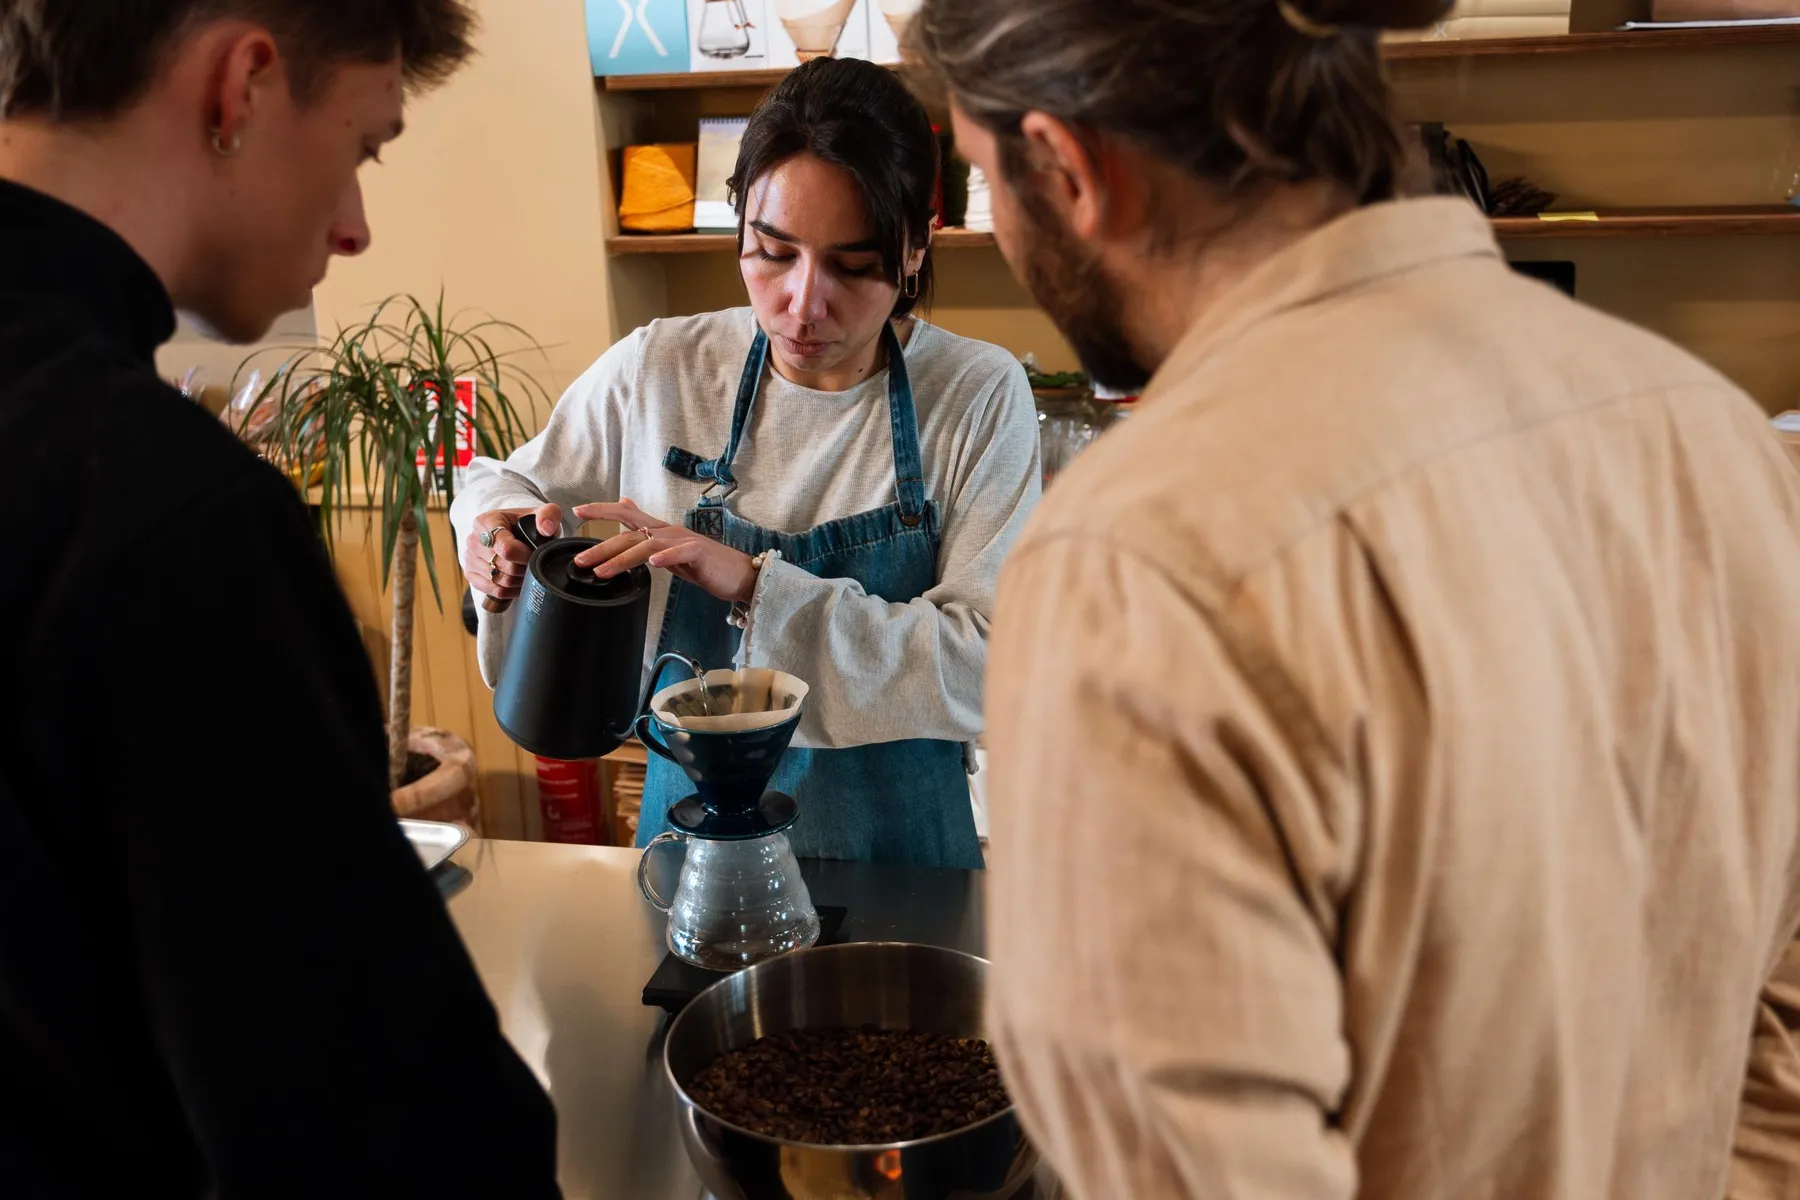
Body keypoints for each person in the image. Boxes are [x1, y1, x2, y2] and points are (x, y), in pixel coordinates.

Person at [915, 1, 1800, 1197]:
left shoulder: (1143, 551)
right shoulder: (1715, 433)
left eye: (980, 180)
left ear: (1071, 169)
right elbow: (1778, 1032)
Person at [0, 3, 558, 1197]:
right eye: (365, 146)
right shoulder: (159, 513)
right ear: (241, 88)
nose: (355, 227)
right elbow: (378, 1127)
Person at [453, 58, 1039, 870]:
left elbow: (988, 662)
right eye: (771, 252)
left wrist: (752, 585)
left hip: (906, 866)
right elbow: (505, 484)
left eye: (854, 266)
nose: (802, 303)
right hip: (690, 864)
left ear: (915, 248)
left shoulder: (975, 395)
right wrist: (496, 539)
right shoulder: (662, 366)